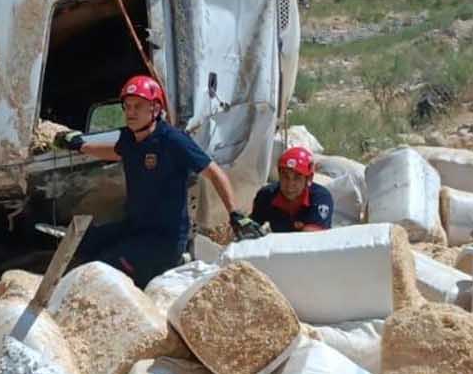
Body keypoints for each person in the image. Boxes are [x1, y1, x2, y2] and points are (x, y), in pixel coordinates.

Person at [53, 75, 242, 286]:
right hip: (134, 227)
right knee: (82, 243)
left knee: (104, 268)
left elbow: (214, 172)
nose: (131, 112)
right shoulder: (129, 137)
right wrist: (79, 145)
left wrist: (235, 214)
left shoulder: (173, 140)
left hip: (164, 241)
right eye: (128, 106)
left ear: (154, 108)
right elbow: (116, 152)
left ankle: (169, 266)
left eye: (138, 106)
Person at [249, 146, 334, 234]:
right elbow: (252, 225)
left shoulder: (321, 198)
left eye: (297, 178)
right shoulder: (266, 195)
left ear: (308, 179)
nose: (290, 184)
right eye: (285, 176)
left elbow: (311, 239)